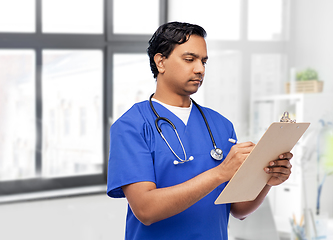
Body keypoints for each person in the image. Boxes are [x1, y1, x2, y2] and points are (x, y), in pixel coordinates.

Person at [107, 21, 293, 240]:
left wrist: (267, 180)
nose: (200, 69)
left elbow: (237, 209)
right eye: (189, 59)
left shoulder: (221, 125)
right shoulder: (132, 126)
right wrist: (220, 173)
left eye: (203, 61)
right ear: (161, 62)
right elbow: (146, 210)